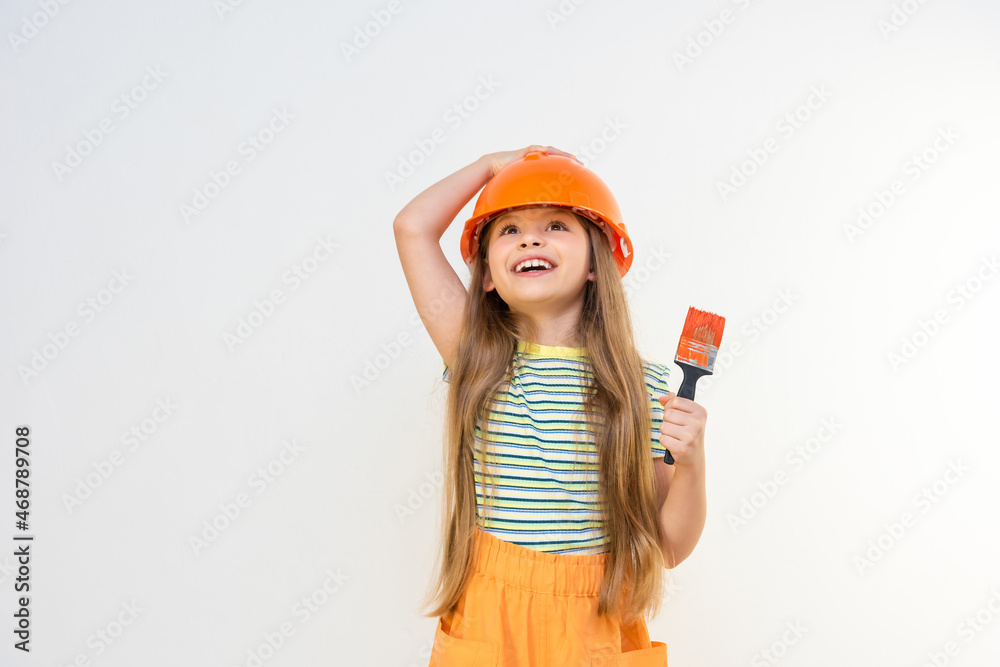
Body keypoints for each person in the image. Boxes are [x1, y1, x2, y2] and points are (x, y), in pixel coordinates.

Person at [393, 145, 708, 666]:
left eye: (556, 225)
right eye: (509, 229)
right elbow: (412, 228)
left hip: (596, 621)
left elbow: (670, 547)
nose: (530, 238)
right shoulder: (478, 358)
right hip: (490, 614)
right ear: (487, 275)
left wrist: (692, 463)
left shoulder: (643, 386)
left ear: (595, 263)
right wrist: (492, 165)